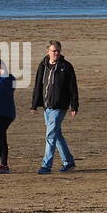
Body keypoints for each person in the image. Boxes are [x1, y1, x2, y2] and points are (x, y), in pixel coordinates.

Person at [31, 39, 79, 173]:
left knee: (50, 135)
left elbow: (73, 88)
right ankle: (68, 162)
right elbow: (38, 85)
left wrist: (74, 106)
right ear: (48, 52)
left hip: (60, 106)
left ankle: (46, 165)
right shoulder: (43, 65)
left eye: (58, 51)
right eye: (54, 51)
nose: (56, 53)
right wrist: (34, 104)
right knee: (56, 134)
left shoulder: (66, 66)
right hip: (47, 106)